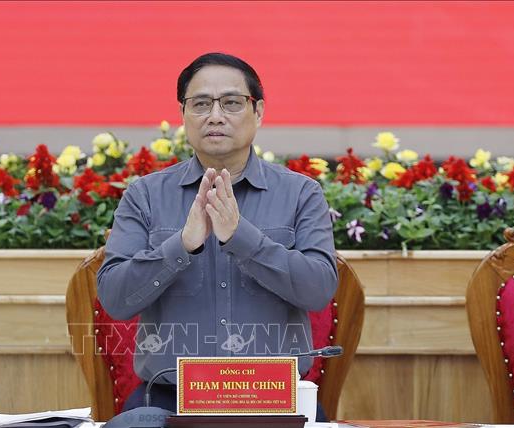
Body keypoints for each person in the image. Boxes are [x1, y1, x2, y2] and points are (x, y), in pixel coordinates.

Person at [97, 52, 337, 420]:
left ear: (257, 113)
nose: (215, 115)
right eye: (201, 104)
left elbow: (318, 290)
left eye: (231, 103)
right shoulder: (145, 195)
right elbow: (115, 299)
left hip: (274, 400)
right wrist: (181, 245)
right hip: (168, 401)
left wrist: (242, 238)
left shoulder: (301, 194)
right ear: (183, 116)